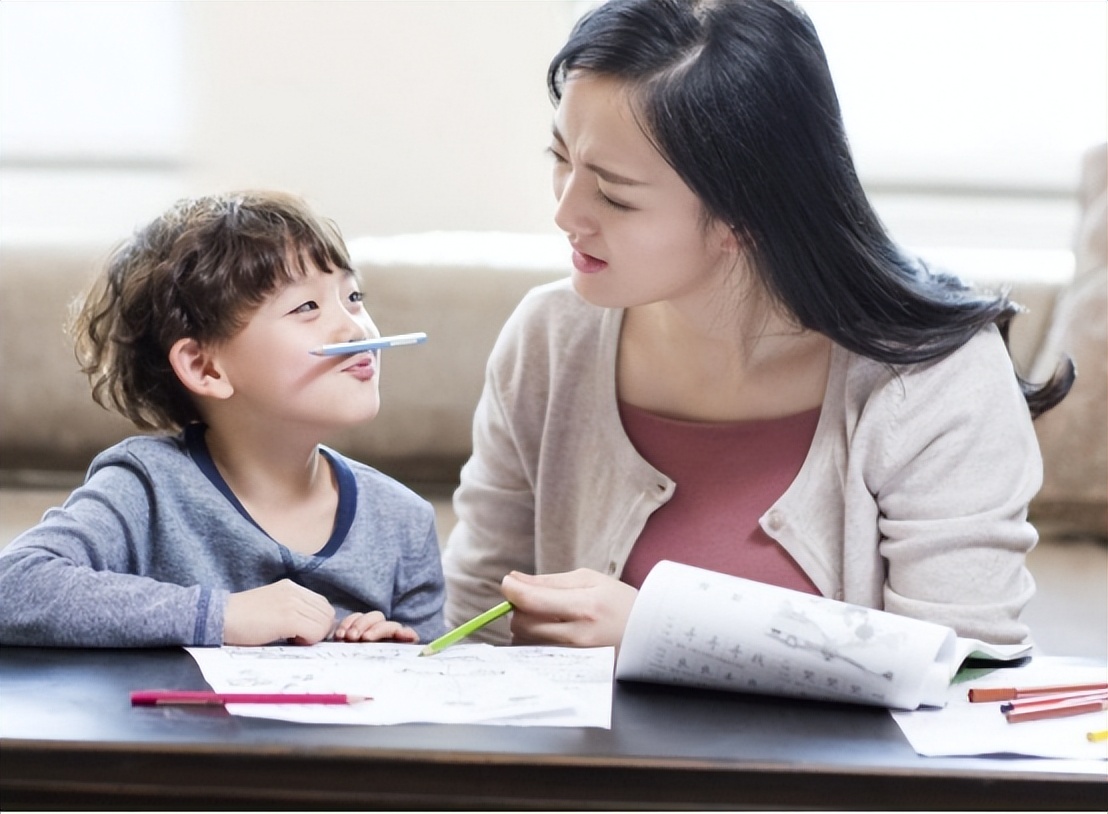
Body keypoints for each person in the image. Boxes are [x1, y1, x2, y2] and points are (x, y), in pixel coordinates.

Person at [442, 0, 1073, 649]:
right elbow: (473, 622)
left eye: (614, 193)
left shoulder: (937, 378)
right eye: (561, 157)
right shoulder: (549, 338)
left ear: (744, 214)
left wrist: (668, 627)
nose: (566, 211)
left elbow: (961, 666)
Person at [0, 191, 445, 647]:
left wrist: (394, 655)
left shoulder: (404, 523)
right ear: (204, 368)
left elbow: (437, 689)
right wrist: (221, 615)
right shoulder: (147, 489)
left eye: (352, 297)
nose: (357, 330)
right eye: (306, 307)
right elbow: (13, 586)